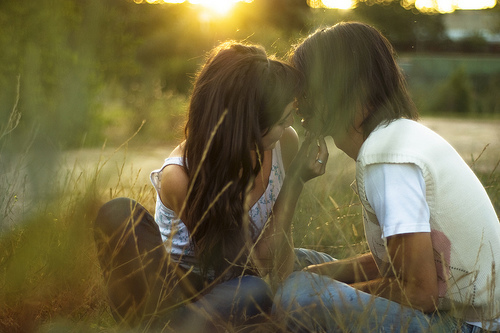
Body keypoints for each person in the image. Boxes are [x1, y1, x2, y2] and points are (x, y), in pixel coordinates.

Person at [274, 22, 500, 332]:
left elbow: (420, 292)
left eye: (305, 86)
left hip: (470, 325)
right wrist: (320, 273)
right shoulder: (395, 137)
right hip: (460, 311)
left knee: (296, 297)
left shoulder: (384, 156)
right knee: (300, 264)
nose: (298, 100)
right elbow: (403, 262)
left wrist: (325, 291)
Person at [94, 42, 331, 332]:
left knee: (269, 286)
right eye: (282, 120)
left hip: (233, 291)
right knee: (119, 213)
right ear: (246, 125)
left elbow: (278, 257)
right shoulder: (181, 176)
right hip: (179, 289)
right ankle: (171, 325)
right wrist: (294, 184)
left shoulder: (283, 142)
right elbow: (245, 268)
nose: (291, 123)